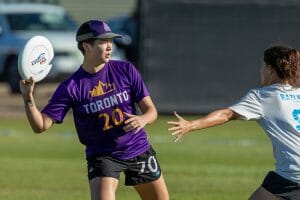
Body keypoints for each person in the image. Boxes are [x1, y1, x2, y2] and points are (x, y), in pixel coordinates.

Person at [20, 19, 169, 200]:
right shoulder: (71, 87)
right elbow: (41, 125)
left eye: (110, 41)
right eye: (103, 41)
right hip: (103, 156)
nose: (109, 46)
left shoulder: (126, 70)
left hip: (137, 148)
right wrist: (28, 98)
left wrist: (143, 119)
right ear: (87, 46)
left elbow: (151, 111)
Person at [168, 45, 300, 200]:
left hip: (292, 176)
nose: (261, 71)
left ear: (270, 69)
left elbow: (226, 114)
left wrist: (191, 125)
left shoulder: (263, 97)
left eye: (262, 66)